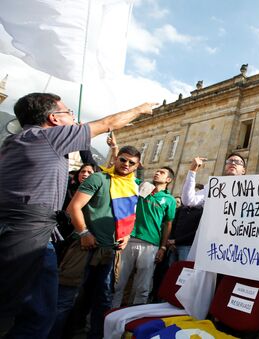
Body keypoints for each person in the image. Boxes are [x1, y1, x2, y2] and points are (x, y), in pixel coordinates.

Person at [0, 92, 154, 337]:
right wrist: (141, 108)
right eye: (69, 112)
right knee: (31, 312)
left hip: (24, 231)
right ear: (54, 119)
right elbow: (107, 124)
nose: (74, 116)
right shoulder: (49, 138)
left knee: (31, 308)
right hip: (30, 235)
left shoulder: (16, 140)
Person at [50, 146, 141, 339]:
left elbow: (129, 217)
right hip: (84, 247)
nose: (126, 165)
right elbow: (73, 207)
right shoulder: (98, 178)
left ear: (137, 165)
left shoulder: (133, 186)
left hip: (109, 252)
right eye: (123, 160)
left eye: (131, 162)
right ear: (116, 159)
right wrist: (83, 232)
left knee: (102, 301)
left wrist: (126, 235)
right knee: (66, 298)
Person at [112, 167, 178, 307]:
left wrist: (163, 247)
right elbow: (128, 174)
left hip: (151, 245)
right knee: (118, 283)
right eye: (157, 170)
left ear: (168, 180)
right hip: (129, 240)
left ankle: (134, 317)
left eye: (162, 172)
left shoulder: (169, 200)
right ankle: (111, 314)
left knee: (142, 287)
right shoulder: (143, 187)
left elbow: (168, 224)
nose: (157, 172)